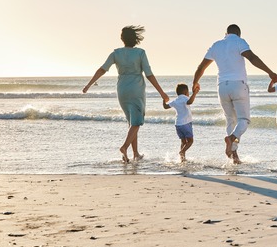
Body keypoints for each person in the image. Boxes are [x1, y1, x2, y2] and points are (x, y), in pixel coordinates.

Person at [193, 24, 277, 164]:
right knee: (244, 120)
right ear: (238, 34)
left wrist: (195, 82)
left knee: (230, 120)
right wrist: (270, 73)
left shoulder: (216, 45)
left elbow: (201, 67)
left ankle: (234, 156)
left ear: (225, 33)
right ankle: (232, 139)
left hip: (222, 87)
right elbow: (252, 58)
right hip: (238, 85)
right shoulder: (240, 42)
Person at [83, 25, 169, 163]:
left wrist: (88, 84)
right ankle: (124, 147)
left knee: (132, 122)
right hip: (136, 89)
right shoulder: (140, 53)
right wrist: (162, 92)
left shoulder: (116, 53)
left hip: (122, 89)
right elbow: (149, 74)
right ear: (135, 39)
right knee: (137, 122)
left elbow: (102, 69)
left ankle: (135, 154)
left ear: (122, 39)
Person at [163, 83, 198, 163]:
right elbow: (190, 102)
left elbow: (165, 107)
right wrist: (195, 93)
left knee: (183, 141)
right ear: (186, 92)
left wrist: (164, 100)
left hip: (178, 124)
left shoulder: (176, 100)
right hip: (186, 123)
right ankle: (182, 152)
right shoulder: (185, 98)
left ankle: (182, 158)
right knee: (190, 141)